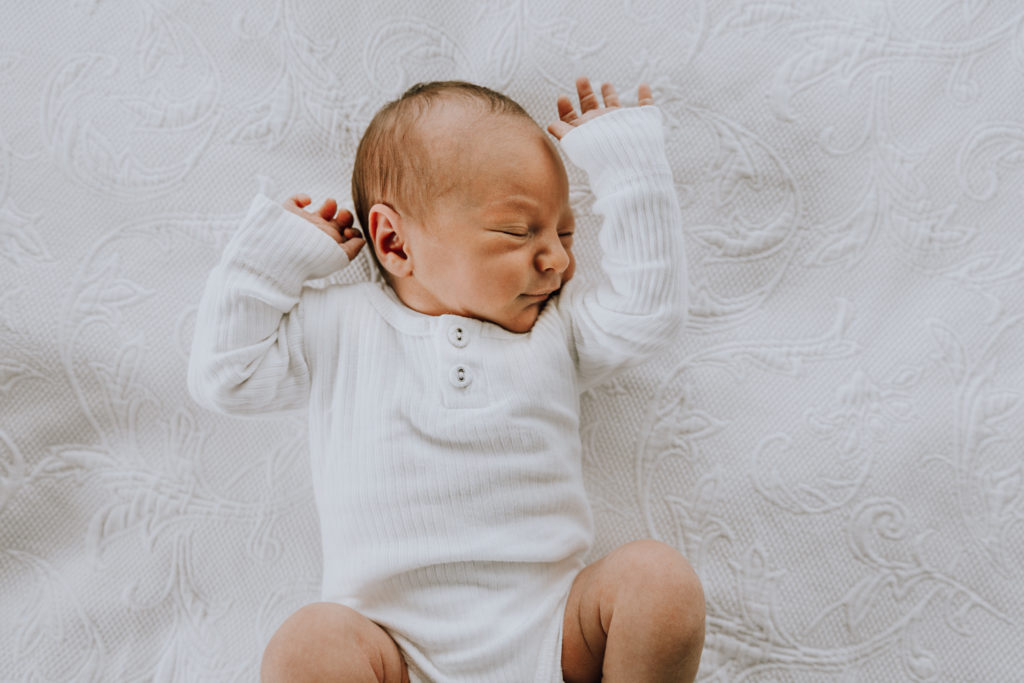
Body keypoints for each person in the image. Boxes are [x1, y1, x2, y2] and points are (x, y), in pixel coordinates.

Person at [188, 76, 704, 682]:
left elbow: (650, 312)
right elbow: (226, 377)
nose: (558, 259)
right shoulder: (337, 329)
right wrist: (273, 257)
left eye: (565, 233)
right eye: (519, 232)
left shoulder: (556, 331)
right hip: (395, 651)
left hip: (552, 638)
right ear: (394, 243)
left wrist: (630, 170)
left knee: (659, 580)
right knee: (309, 643)